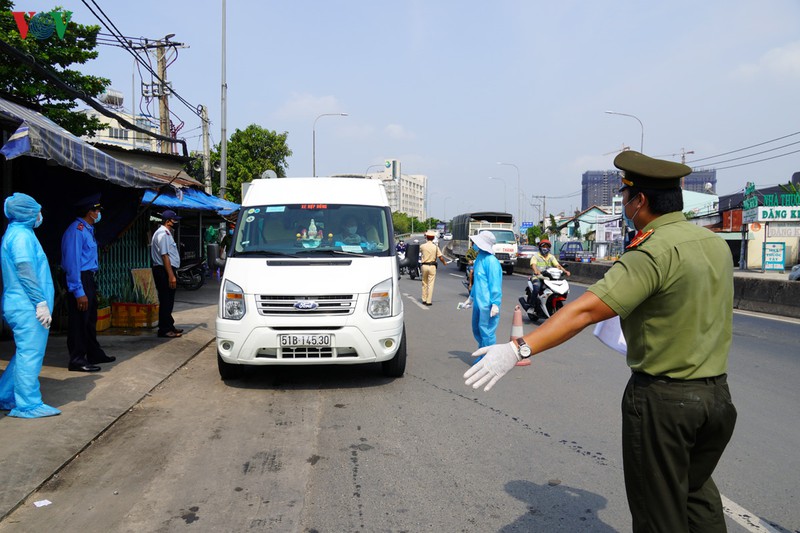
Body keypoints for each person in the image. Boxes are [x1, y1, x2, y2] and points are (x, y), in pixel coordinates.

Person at [464, 151, 737, 533]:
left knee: (659, 515)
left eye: (625, 198)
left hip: (666, 404)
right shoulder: (714, 245)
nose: (623, 206)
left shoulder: (653, 250)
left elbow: (585, 311)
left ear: (640, 200)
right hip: (717, 400)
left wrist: (516, 349)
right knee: (698, 497)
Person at [0, 193, 61, 418]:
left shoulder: (19, 233)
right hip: (28, 307)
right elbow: (25, 271)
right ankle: (28, 404)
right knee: (30, 355)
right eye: (37, 211)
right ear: (27, 213)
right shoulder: (21, 237)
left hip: (22, 305)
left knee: (24, 354)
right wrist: (40, 302)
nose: (40, 215)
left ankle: (5, 394)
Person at [61, 194, 114, 372]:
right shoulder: (76, 230)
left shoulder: (88, 230)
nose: (99, 213)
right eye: (97, 210)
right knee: (79, 320)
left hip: (88, 278)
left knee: (90, 318)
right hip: (80, 278)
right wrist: (78, 291)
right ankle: (76, 359)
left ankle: (93, 353)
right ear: (90, 212)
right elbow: (72, 262)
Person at [461, 231, 503, 358]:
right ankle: (482, 353)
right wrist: (471, 297)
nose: (474, 244)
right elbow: (477, 282)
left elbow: (495, 284)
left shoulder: (492, 261)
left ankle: (488, 357)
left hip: (488, 304)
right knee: (477, 329)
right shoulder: (479, 258)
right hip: (479, 304)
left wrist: (495, 303)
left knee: (487, 332)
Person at [151, 209, 183, 338]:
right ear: (168, 221)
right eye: (174, 220)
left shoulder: (166, 233)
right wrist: (171, 275)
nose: (176, 222)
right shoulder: (163, 234)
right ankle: (164, 329)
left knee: (169, 300)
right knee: (165, 300)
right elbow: (165, 256)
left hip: (166, 270)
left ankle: (169, 325)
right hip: (164, 271)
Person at [419, 229, 448, 306]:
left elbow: (418, 253)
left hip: (424, 266)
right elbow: (441, 257)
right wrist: (444, 263)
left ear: (426, 237)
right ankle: (429, 301)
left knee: (424, 283)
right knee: (430, 284)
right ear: (433, 238)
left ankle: (424, 299)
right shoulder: (435, 247)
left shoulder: (422, 246)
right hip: (432, 266)